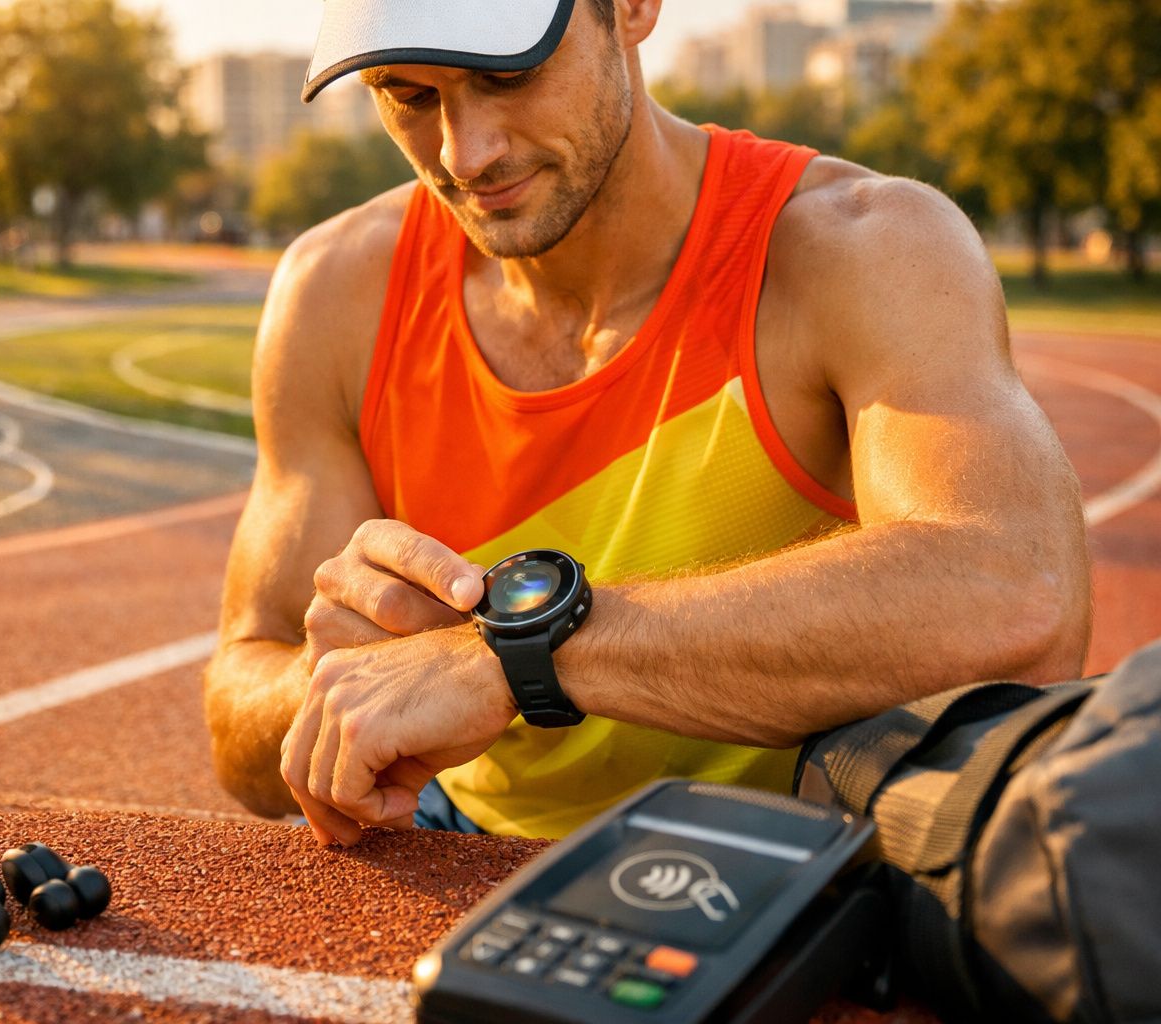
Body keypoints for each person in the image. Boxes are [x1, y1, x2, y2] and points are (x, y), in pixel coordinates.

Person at [202, 0, 1092, 848]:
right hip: (465, 844)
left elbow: (1017, 591)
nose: (465, 152)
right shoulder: (334, 292)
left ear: (631, 7)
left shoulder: (859, 245)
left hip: (795, 859)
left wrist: (516, 657)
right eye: (410, 94)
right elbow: (241, 701)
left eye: (509, 74)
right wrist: (337, 688)